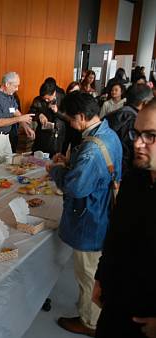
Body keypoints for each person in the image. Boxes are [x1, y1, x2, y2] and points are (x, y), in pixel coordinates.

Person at [47, 91, 122, 337]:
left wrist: (57, 169)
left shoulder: (91, 151)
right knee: (92, 270)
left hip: (90, 219)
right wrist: (70, 164)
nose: (70, 124)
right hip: (103, 212)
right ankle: (90, 313)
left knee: (88, 274)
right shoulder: (108, 134)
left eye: (71, 119)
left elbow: (74, 187)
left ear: (81, 116)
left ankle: (90, 322)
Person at [93, 98, 156, 338]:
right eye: (136, 133)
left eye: (150, 136)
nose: (138, 143)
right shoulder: (134, 179)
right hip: (116, 303)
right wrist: (100, 277)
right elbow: (115, 235)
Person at [0, 72, 34, 167]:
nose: (17, 89)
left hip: (5, 136)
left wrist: (26, 126)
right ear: (7, 84)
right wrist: (20, 118)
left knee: (9, 164)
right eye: (15, 86)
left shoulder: (9, 96)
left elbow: (15, 111)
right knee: (0, 167)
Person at [107, 84, 153, 178]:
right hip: (120, 174)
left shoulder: (113, 114)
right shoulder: (135, 121)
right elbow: (128, 153)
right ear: (145, 103)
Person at [30, 80, 66, 157]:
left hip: (58, 137)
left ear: (54, 93)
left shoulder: (63, 98)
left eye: (48, 98)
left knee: (55, 161)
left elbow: (68, 117)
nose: (46, 101)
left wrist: (57, 112)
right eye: (44, 99)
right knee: (38, 160)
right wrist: (39, 115)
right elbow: (30, 113)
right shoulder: (38, 100)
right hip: (42, 136)